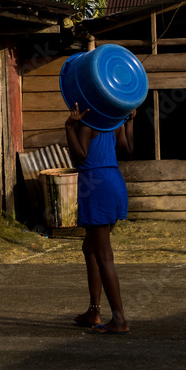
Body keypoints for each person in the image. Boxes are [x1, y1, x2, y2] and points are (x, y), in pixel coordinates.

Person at [66, 103, 134, 335]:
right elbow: (127, 150)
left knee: (104, 255)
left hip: (96, 184)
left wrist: (69, 127)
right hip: (114, 181)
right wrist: (129, 121)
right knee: (91, 248)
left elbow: (81, 157)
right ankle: (94, 311)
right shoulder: (114, 123)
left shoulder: (87, 123)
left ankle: (119, 320)